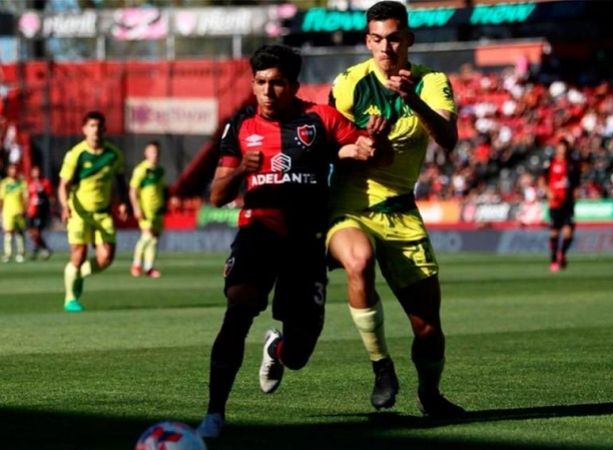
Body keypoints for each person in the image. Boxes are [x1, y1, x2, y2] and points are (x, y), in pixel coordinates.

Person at [197, 44, 385, 438]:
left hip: (306, 242)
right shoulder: (241, 126)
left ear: (293, 85)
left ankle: (276, 349)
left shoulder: (319, 119)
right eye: (261, 83)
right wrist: (238, 174)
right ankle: (215, 413)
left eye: (277, 83)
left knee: (298, 354)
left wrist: (364, 147)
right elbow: (217, 195)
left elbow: (353, 146)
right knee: (239, 309)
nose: (267, 91)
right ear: (252, 84)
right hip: (258, 233)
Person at [327, 0, 465, 418]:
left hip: (401, 211)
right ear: (367, 42)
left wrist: (414, 101)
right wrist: (355, 147)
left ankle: (430, 395)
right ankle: (381, 367)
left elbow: (448, 139)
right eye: (377, 39)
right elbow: (325, 144)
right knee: (359, 260)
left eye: (393, 39)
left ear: (408, 39)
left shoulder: (431, 82)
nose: (385, 48)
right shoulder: (349, 84)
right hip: (350, 206)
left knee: (428, 328)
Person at [58, 111, 128, 313]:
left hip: (102, 213)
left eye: (99, 126)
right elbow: (64, 185)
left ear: (104, 129)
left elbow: (120, 179)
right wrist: (64, 206)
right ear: (84, 129)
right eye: (91, 126)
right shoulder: (76, 154)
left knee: (106, 258)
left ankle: (78, 275)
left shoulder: (114, 154)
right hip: (79, 212)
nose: (95, 130)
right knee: (78, 255)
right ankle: (70, 298)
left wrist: (122, 202)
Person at [129, 141, 167, 278]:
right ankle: (136, 264)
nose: (154, 155)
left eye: (156, 152)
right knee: (147, 236)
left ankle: (149, 267)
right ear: (146, 153)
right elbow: (133, 191)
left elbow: (161, 190)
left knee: (154, 239)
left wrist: (164, 205)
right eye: (151, 152)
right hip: (146, 210)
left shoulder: (160, 171)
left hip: (157, 210)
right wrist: (136, 208)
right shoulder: (141, 170)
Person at [546, 138, 580, 272]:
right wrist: (548, 191)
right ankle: (553, 259)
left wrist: (576, 192)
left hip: (568, 202)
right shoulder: (550, 163)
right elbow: (542, 180)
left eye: (564, 148)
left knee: (569, 232)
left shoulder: (572, 164)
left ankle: (562, 253)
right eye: (560, 148)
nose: (562, 151)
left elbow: (576, 182)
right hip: (555, 203)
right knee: (555, 232)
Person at [0, 163, 27, 263]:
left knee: (19, 233)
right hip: (7, 212)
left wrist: (25, 209)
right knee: (8, 233)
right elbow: (0, 199)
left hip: (19, 211)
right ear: (8, 171)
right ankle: (8, 254)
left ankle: (20, 253)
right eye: (11, 169)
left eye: (15, 169)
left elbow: (25, 198)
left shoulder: (22, 183)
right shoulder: (4, 183)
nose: (13, 171)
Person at [26, 165, 54, 260]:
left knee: (37, 232)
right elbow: (28, 197)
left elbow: (50, 196)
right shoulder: (30, 183)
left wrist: (50, 208)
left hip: (41, 211)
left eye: (38, 171)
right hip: (31, 211)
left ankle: (41, 249)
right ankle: (42, 248)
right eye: (34, 171)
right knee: (31, 232)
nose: (36, 173)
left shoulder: (45, 182)